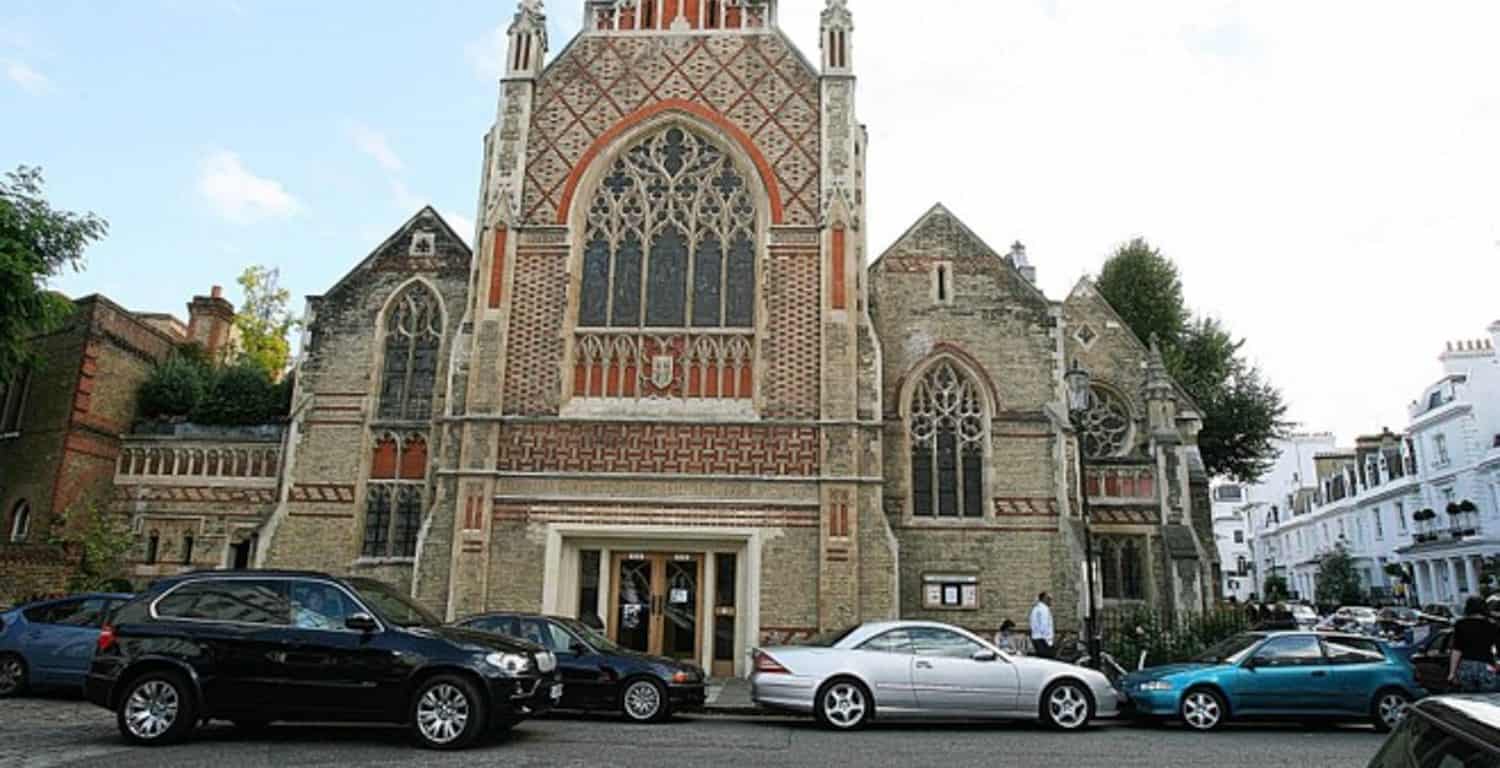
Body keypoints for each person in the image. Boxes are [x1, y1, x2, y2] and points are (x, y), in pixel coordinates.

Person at [1448, 596, 1500, 693]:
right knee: (1490, 697)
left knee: (1469, 698)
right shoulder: (1492, 625)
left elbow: (1456, 650)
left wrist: (1452, 672)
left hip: (1466, 666)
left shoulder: (1460, 624)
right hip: (1486, 665)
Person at [1029, 592, 1055, 658]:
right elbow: (1044, 625)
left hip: (1036, 637)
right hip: (1043, 640)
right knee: (1047, 660)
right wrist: (1048, 640)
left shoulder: (1035, 608)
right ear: (1044, 599)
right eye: (1049, 599)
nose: (1051, 601)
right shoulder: (1044, 609)